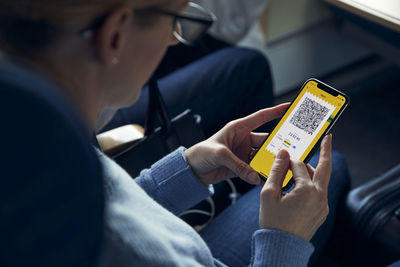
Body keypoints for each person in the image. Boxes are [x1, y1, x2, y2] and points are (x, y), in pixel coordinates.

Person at [0, 0, 350, 266]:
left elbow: (114, 201)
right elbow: (123, 227)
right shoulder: (127, 247)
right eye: (176, 21)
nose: (173, 40)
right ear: (116, 32)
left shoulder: (35, 138)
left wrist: (186, 170)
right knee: (331, 169)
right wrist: (283, 241)